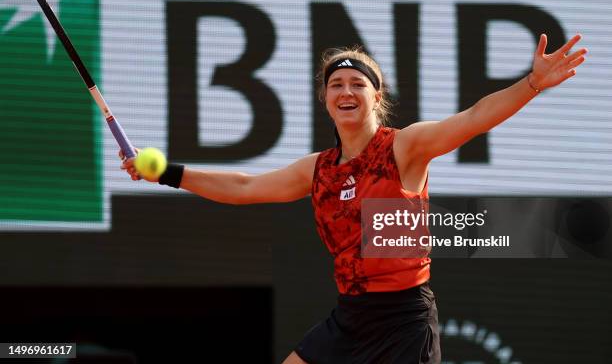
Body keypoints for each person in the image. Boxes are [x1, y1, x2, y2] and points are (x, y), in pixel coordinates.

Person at [121, 33, 587, 363]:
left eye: (357, 85)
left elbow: (474, 117)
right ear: (325, 98)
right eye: (336, 85)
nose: (346, 91)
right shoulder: (319, 168)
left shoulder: (404, 148)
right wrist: (166, 172)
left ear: (375, 96)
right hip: (349, 320)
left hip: (404, 322)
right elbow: (244, 188)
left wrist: (531, 84)